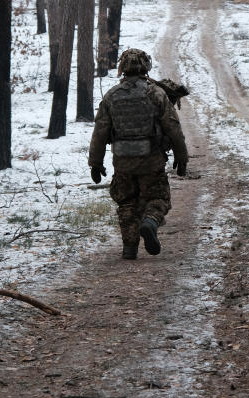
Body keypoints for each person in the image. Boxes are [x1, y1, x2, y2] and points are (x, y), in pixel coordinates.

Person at [88, 49, 189, 260]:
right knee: (158, 197)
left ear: (122, 68)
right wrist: (181, 156)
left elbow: (100, 131)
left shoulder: (111, 96)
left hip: (122, 161)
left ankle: (129, 247)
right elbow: (173, 127)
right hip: (151, 159)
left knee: (126, 202)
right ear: (146, 66)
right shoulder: (156, 93)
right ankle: (150, 222)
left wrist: (95, 163)